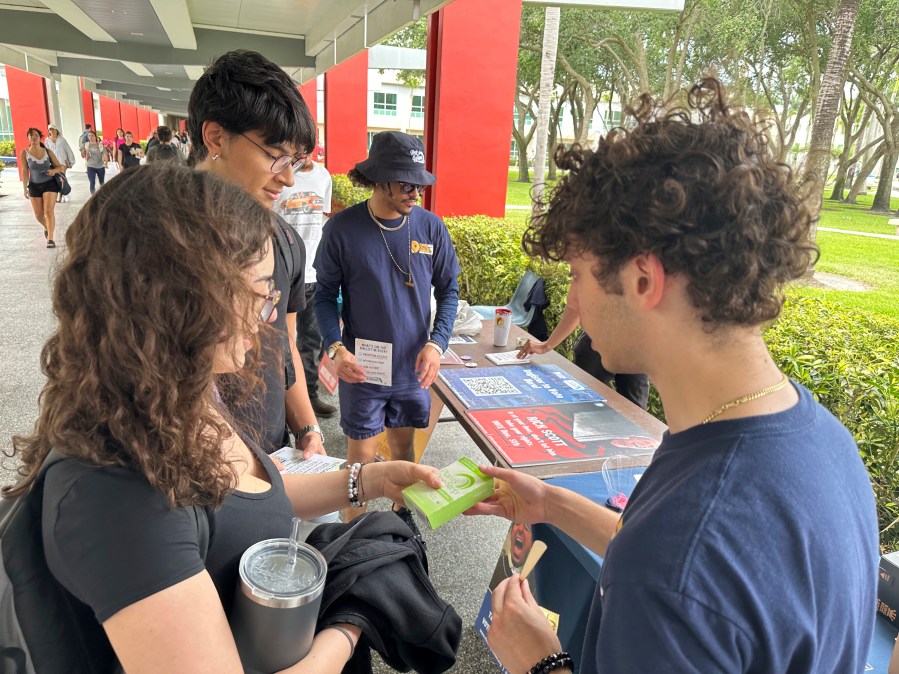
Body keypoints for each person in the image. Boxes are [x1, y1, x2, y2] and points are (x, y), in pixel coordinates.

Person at [468, 78, 878, 674]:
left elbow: (677, 568)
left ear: (642, 279)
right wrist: (551, 504)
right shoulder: (823, 441)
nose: (574, 296)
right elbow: (699, 571)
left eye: (579, 274)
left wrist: (541, 663)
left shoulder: (677, 562)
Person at [5, 163, 442, 673]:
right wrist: (353, 618)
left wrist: (367, 480)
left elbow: (241, 490)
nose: (271, 315)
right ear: (183, 300)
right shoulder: (116, 498)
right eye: (261, 293)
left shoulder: (174, 394)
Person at [314, 131, 460, 520]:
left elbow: (449, 291)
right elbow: (324, 296)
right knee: (359, 465)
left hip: (413, 368)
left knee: (404, 453)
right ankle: (352, 538)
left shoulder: (431, 228)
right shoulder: (342, 230)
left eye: (419, 183)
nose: (416, 192)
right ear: (379, 179)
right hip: (363, 369)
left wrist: (437, 343)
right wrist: (335, 348)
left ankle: (400, 527)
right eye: (406, 183)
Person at [187, 49, 326, 457]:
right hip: (180, 465)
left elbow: (285, 344)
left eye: (295, 163)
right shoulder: (153, 239)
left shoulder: (283, 241)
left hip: (271, 456)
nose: (286, 177)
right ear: (215, 137)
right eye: (274, 155)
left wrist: (307, 430)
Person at [518, 286, 650, 409]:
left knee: (635, 415)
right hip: (603, 342)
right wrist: (546, 346)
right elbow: (577, 303)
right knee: (580, 405)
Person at [276, 154, 336, 418]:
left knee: (312, 343)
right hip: (283, 272)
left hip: (314, 272)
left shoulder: (324, 177)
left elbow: (323, 219)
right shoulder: (278, 175)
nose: (302, 155)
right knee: (279, 340)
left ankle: (309, 397)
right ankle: (280, 401)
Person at [19, 127, 65, 248]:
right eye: (31, 135)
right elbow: (24, 171)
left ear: (40, 138)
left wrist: (53, 171)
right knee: (39, 215)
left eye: (36, 135)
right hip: (34, 186)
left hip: (50, 184)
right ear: (28, 138)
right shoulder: (24, 153)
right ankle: (47, 226)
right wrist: (25, 188)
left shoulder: (48, 152)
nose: (34, 137)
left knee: (48, 211)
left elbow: (60, 167)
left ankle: (50, 239)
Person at [45, 124, 76, 203]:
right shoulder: (47, 141)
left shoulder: (62, 140)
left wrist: (71, 161)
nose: (52, 131)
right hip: (52, 163)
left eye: (53, 129)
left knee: (62, 178)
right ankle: (62, 194)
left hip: (62, 162)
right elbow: (46, 152)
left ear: (56, 130)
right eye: (50, 130)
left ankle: (64, 194)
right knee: (56, 180)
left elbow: (67, 150)